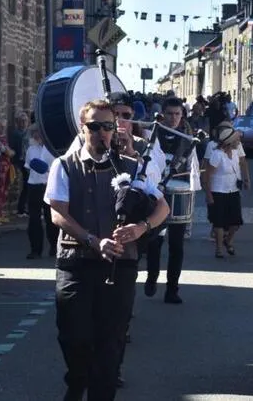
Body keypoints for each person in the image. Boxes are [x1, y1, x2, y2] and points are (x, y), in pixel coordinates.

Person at [45, 99, 170, 401]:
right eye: (94, 126)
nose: (101, 132)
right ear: (82, 127)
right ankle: (77, 380)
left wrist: (142, 228)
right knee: (73, 335)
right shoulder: (64, 165)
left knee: (111, 342)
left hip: (119, 265)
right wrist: (91, 239)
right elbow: (57, 212)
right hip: (76, 262)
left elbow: (163, 207)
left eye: (107, 126)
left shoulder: (132, 168)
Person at [144, 97, 200, 305]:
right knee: (155, 241)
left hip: (179, 192)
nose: (173, 118)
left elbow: (193, 166)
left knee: (177, 245)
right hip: (156, 192)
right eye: (170, 114)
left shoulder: (188, 138)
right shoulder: (153, 133)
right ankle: (151, 278)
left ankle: (172, 289)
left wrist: (192, 190)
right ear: (162, 114)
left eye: (177, 114)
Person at [204, 123, 249, 258]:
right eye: (236, 139)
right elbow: (207, 174)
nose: (238, 142)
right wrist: (208, 194)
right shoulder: (217, 155)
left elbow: (242, 164)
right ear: (229, 142)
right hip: (218, 191)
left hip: (233, 190)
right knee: (219, 222)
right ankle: (219, 249)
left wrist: (246, 180)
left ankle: (228, 240)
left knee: (236, 222)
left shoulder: (235, 152)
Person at [24, 125, 57, 259]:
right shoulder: (31, 149)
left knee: (51, 219)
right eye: (35, 133)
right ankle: (35, 250)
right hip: (34, 186)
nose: (37, 135)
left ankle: (54, 247)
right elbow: (28, 166)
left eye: (40, 132)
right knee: (34, 219)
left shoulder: (53, 149)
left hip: (49, 186)